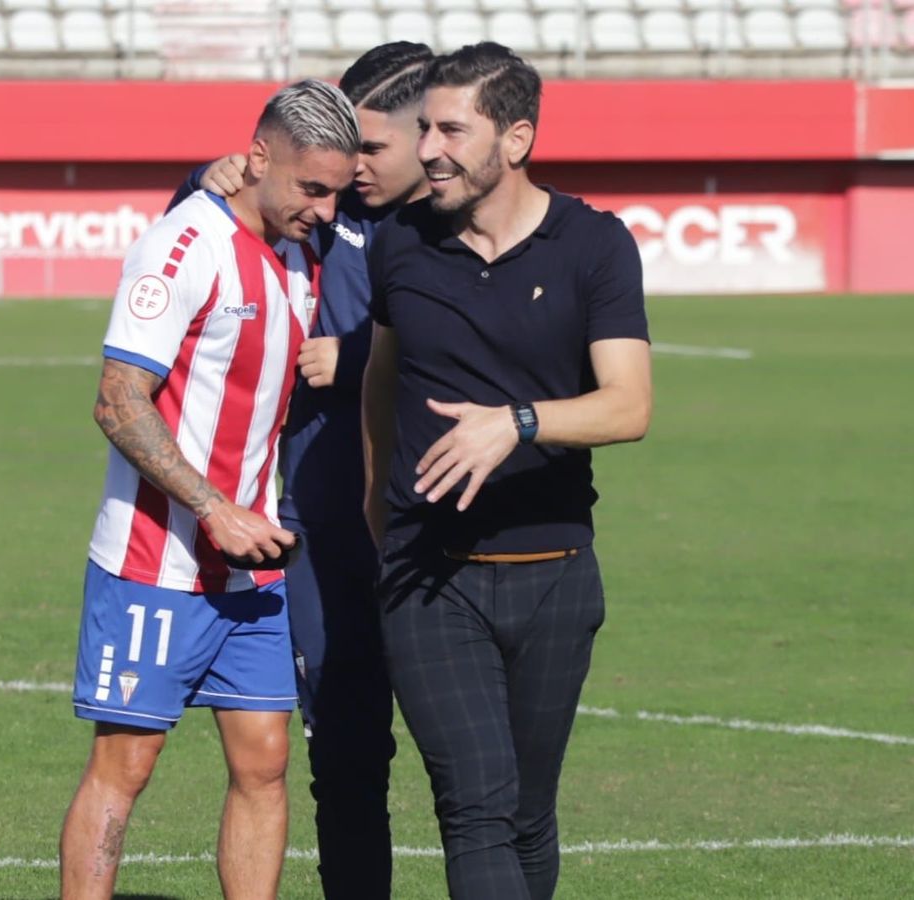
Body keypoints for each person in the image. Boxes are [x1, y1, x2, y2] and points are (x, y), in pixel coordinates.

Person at [361, 43, 653, 900]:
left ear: (516, 139)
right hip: (427, 581)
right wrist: (382, 532)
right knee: (476, 809)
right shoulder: (398, 246)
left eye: (452, 129)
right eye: (423, 130)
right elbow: (378, 396)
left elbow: (628, 407)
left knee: (528, 815)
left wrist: (517, 424)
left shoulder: (595, 245)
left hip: (557, 574)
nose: (428, 150)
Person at [59, 80, 360, 900]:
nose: (326, 210)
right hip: (156, 560)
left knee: (265, 763)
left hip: (252, 564)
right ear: (258, 158)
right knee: (127, 765)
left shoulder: (306, 250)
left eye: (335, 191)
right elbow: (117, 399)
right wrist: (210, 507)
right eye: (311, 188)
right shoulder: (184, 244)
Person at [168, 41, 436, 899]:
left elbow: (474, 353)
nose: (350, 173)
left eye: (370, 148)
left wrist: (354, 356)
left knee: (472, 766)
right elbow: (210, 222)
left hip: (430, 525)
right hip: (319, 523)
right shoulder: (325, 210)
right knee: (346, 751)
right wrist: (204, 179)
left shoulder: (443, 228)